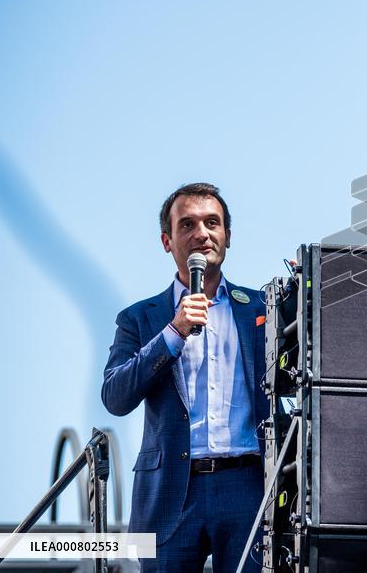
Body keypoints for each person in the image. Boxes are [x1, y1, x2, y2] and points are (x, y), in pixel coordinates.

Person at [101, 182, 267, 572]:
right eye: (187, 224)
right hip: (170, 491)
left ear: (227, 236)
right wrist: (173, 333)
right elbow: (115, 395)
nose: (202, 233)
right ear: (167, 241)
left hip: (245, 485)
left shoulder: (262, 308)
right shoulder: (139, 318)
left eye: (213, 222)